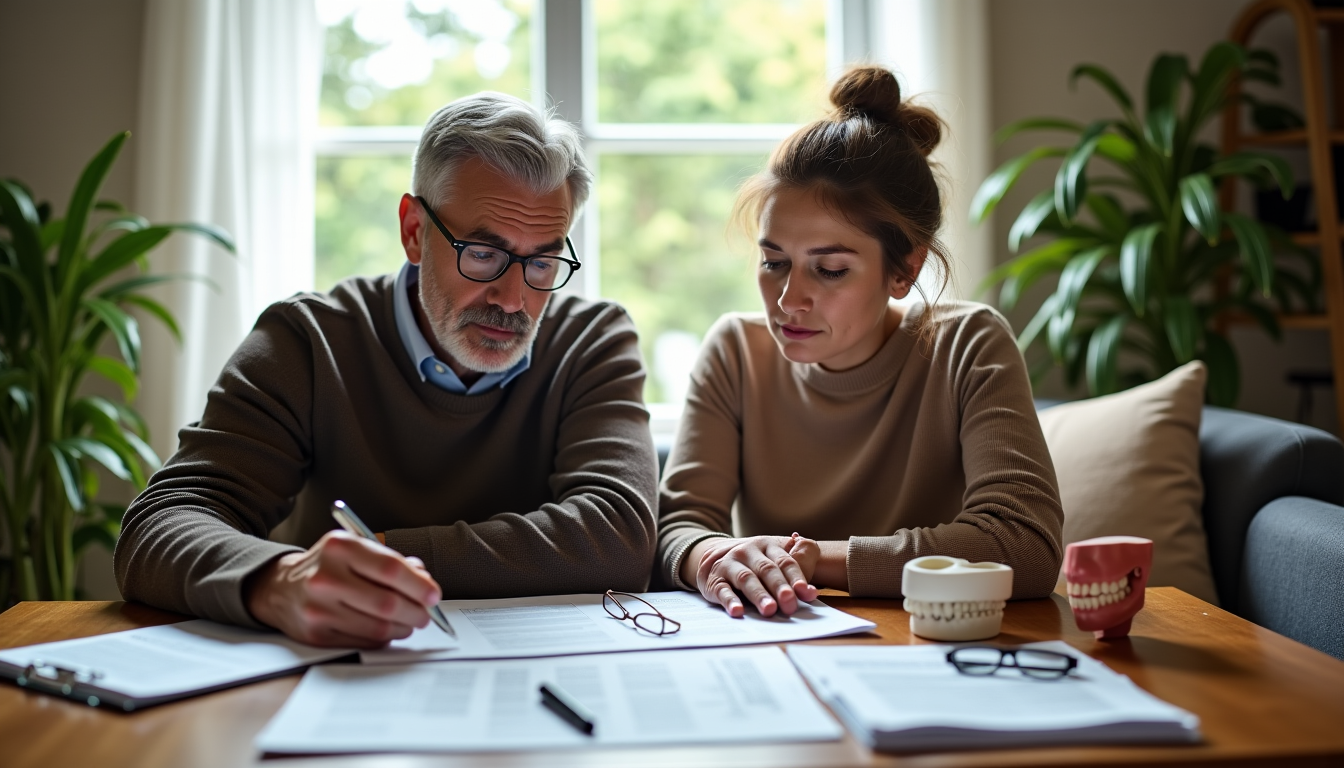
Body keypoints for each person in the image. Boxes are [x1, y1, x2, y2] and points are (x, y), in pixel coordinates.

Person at [115, 92, 659, 648]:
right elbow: (160, 525)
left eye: (542, 261)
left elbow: (618, 538)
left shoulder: (591, 340)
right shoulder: (309, 340)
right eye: (482, 253)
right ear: (414, 231)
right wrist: (280, 580)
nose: (514, 298)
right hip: (339, 675)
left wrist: (379, 554)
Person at [656, 67, 1064, 618]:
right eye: (774, 262)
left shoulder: (967, 344)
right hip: (779, 641)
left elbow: (1024, 546)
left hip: (934, 647)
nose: (787, 299)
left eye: (829, 270)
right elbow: (680, 528)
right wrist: (711, 558)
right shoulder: (734, 352)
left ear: (903, 271)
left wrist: (803, 560)